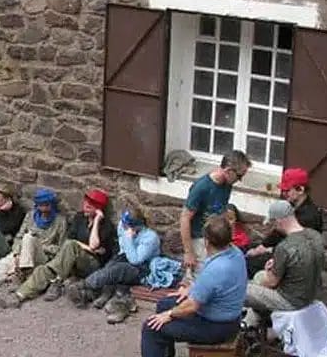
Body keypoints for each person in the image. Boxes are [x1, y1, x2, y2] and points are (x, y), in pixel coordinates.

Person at [0, 187, 116, 309]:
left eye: (92, 204)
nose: (86, 206)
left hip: (92, 265)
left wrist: (97, 220)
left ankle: (57, 281)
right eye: (86, 202)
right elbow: (70, 240)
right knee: (43, 269)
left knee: (70, 246)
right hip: (71, 261)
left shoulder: (106, 226)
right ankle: (19, 296)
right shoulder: (79, 218)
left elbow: (93, 246)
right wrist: (85, 246)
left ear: (99, 208)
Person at [141, 215, 246, 357]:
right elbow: (212, 286)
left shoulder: (216, 268)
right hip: (230, 318)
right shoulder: (236, 253)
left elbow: (192, 306)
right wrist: (192, 289)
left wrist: (170, 314)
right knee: (163, 304)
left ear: (207, 241)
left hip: (216, 326)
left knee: (151, 327)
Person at [70, 206, 161, 323]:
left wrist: (129, 239)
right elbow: (122, 249)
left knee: (118, 270)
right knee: (109, 267)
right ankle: (96, 295)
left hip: (142, 268)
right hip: (124, 257)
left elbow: (135, 260)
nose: (122, 227)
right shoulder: (122, 226)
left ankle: (84, 285)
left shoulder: (150, 238)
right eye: (123, 224)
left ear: (136, 226)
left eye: (126, 225)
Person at [244, 200, 325, 327]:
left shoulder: (285, 247)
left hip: (291, 301)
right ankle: (253, 321)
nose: (274, 227)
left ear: (279, 221)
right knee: (259, 276)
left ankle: (247, 326)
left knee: (242, 290)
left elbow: (271, 282)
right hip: (312, 292)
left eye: (273, 223)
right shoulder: (316, 236)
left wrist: (269, 269)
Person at [181, 150, 251, 275]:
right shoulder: (201, 187)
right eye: (239, 176)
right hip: (199, 238)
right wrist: (188, 252)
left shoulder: (227, 184)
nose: (239, 180)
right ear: (229, 171)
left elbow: (222, 210)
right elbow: (185, 218)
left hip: (216, 237)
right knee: (204, 274)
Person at [246, 168, 323, 277]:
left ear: (300, 190)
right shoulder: (293, 206)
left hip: (292, 263)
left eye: (287, 190)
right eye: (283, 190)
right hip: (283, 251)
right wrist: (261, 247)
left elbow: (286, 240)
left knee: (249, 264)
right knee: (247, 247)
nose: (284, 193)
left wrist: (261, 250)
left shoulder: (309, 217)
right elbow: (278, 234)